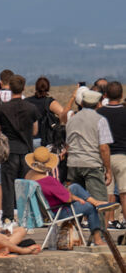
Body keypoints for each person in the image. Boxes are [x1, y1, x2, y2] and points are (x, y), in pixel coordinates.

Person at [24, 145, 110, 246]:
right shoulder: (49, 181)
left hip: (44, 210)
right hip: (56, 211)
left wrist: (74, 196)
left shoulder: (28, 177)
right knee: (90, 208)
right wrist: (76, 198)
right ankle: (97, 239)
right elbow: (67, 199)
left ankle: (96, 202)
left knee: (75, 187)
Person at [0, 73, 38, 222]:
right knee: (25, 185)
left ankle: (8, 218)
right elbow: (35, 131)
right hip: (26, 150)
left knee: (8, 185)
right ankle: (27, 218)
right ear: (24, 88)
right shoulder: (31, 108)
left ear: (10, 87)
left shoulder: (2, 108)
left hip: (9, 150)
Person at [65, 88, 114, 202]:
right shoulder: (100, 120)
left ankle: (77, 220)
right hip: (92, 164)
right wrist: (108, 170)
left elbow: (68, 144)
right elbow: (104, 148)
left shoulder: (72, 119)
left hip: (73, 164)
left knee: (77, 201)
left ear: (81, 103)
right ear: (98, 104)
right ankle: (99, 220)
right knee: (99, 201)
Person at [98, 81, 126, 222]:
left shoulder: (100, 113)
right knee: (124, 193)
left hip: (104, 157)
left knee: (107, 194)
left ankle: (106, 226)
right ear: (121, 95)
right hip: (123, 157)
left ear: (106, 95)